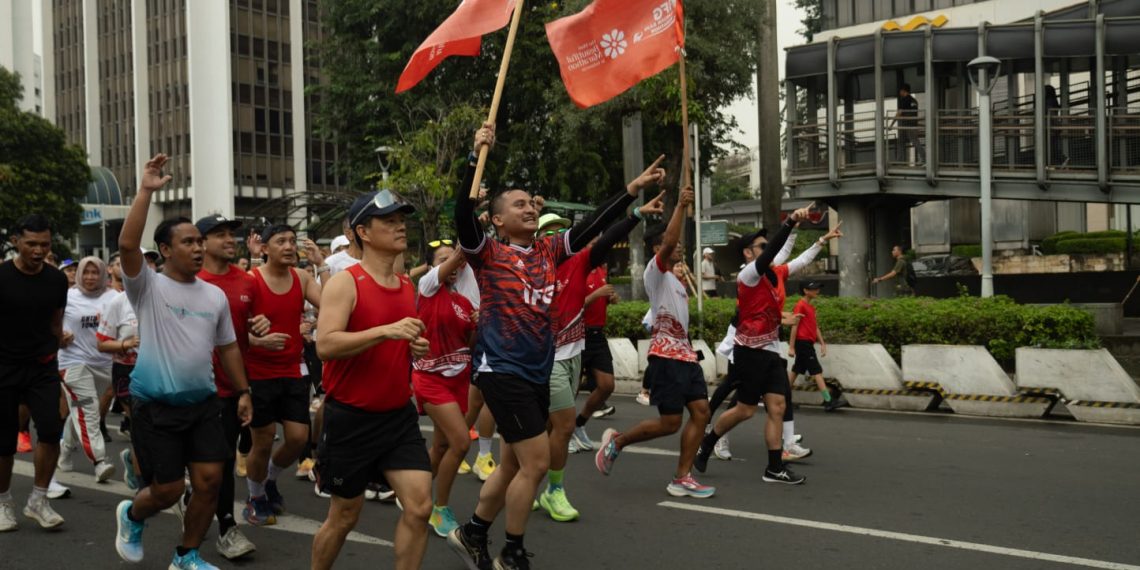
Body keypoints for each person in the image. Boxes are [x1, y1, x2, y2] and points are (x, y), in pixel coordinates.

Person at [449, 123, 660, 570]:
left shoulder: (549, 252)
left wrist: (631, 191)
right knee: (537, 464)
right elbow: (462, 217)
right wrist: (474, 158)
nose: (529, 208)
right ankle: (512, 551)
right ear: (499, 219)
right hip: (500, 371)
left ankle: (472, 532)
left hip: (536, 371)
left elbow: (592, 229)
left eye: (531, 202)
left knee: (511, 466)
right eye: (518, 205)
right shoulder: (487, 254)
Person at [113, 153, 253, 570]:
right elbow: (124, 245)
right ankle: (132, 514)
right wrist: (145, 191)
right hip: (155, 407)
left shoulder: (214, 296)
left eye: (198, 241)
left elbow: (227, 347)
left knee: (210, 483)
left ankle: (186, 555)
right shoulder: (147, 288)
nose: (197, 248)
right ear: (165, 249)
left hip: (204, 405)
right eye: (188, 242)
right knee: (168, 490)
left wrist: (244, 391)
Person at [311, 189, 433, 570]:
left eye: (402, 220)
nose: (401, 227)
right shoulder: (345, 283)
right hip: (351, 418)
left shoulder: (405, 285)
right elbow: (326, 345)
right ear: (362, 231)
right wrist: (386, 331)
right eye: (390, 221)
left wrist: (413, 346)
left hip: (397, 416)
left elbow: (397, 339)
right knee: (345, 516)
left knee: (420, 506)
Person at [537, 194, 663, 523]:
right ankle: (552, 490)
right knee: (559, 427)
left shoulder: (579, 261)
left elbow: (606, 235)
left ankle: (541, 486)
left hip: (575, 352)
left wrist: (635, 213)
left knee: (553, 427)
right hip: (543, 359)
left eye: (558, 232)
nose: (554, 237)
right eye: (547, 233)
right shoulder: (531, 269)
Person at [594, 186, 717, 501]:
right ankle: (617, 443)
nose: (677, 247)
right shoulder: (656, 272)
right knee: (670, 423)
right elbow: (671, 242)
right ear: (656, 248)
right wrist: (680, 206)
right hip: (666, 358)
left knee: (701, 412)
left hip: (685, 358)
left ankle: (682, 477)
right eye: (669, 244)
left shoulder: (676, 280)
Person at [692, 205, 813, 486]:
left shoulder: (774, 274)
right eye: (760, 246)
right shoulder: (748, 275)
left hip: (771, 349)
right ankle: (707, 444)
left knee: (778, 406)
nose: (766, 248)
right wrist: (789, 221)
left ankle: (774, 468)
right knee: (745, 410)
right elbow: (773, 252)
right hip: (749, 351)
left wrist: (796, 228)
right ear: (748, 253)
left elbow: (782, 254)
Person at [196, 214, 272, 559]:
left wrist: (260, 326)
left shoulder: (247, 282)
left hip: (231, 388)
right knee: (198, 465)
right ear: (201, 242)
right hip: (191, 388)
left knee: (223, 461)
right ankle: (189, 496)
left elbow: (250, 331)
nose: (230, 239)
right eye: (220, 234)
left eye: (232, 234)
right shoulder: (189, 280)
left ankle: (226, 527)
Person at [242, 224, 323, 526]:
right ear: (264, 249)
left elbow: (331, 302)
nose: (289, 246)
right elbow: (229, 330)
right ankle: (255, 496)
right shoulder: (250, 281)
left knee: (298, 437)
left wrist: (321, 264)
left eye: (292, 241)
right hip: (258, 372)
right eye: (281, 242)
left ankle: (270, 480)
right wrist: (257, 340)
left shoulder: (301, 278)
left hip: (293, 368)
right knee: (262, 441)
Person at [0, 214, 70, 531]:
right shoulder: (2, 276)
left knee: (51, 430)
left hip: (42, 366)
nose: (39, 250)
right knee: (4, 442)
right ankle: (3, 503)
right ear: (16, 242)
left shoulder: (56, 280)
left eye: (44, 244)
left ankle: (38, 500)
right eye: (31, 244)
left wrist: (55, 366)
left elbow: (56, 323)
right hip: (4, 368)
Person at [413, 242, 477, 538]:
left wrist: (479, 325)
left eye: (454, 259)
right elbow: (458, 258)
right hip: (431, 379)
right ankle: (440, 509)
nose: (453, 265)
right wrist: (472, 227)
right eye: (444, 259)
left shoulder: (464, 303)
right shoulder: (427, 287)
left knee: (440, 447)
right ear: (432, 266)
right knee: (460, 443)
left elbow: (471, 346)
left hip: (459, 381)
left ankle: (414, 494)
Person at [56, 257, 120, 482]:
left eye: (95, 272)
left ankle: (64, 448)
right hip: (72, 362)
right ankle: (100, 461)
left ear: (104, 274)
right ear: (79, 274)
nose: (90, 277)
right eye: (86, 272)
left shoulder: (113, 298)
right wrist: (60, 336)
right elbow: (50, 323)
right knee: (89, 409)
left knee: (80, 411)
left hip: (104, 364)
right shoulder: (66, 296)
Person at [95, 279, 142, 490]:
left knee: (158, 424)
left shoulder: (162, 298)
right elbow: (102, 344)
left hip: (158, 369)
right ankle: (145, 483)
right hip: (127, 371)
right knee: (140, 425)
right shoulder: (118, 303)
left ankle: (133, 460)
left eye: (150, 263)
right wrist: (126, 344)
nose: (146, 268)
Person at [573, 263, 619, 443]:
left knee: (607, 385)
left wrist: (612, 298)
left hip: (597, 336)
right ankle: (562, 431)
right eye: (592, 243)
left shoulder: (601, 270)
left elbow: (605, 299)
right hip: (578, 335)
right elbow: (572, 304)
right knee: (571, 390)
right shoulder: (577, 270)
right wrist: (596, 295)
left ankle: (579, 423)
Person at [788, 281, 842, 413]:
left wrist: (822, 343)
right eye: (814, 289)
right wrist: (791, 347)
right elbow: (794, 326)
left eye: (818, 288)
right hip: (803, 343)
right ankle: (828, 400)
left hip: (807, 342)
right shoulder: (800, 306)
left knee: (796, 370)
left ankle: (781, 398)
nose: (817, 291)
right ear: (806, 291)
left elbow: (815, 326)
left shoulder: (811, 307)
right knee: (816, 370)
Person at [892, 83, 925, 163]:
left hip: (906, 125)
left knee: (905, 142)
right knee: (911, 141)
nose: (900, 93)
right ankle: (900, 160)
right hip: (913, 124)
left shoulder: (905, 100)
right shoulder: (914, 101)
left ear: (903, 91)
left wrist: (891, 124)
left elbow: (899, 113)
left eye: (900, 91)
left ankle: (924, 158)